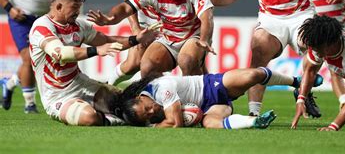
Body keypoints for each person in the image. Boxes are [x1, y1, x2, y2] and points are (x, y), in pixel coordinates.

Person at [28, 0, 157, 126]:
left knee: (127, 102)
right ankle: (117, 120)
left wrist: (136, 39)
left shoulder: (79, 25)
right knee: (89, 117)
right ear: (59, 7)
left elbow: (108, 40)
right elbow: (61, 53)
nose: (78, 11)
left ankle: (168, 115)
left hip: (81, 83)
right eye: (74, 7)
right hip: (57, 96)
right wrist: (96, 50)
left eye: (79, 7)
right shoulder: (42, 27)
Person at [88, 0, 215, 79]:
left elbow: (206, 17)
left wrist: (204, 39)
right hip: (167, 37)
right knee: (147, 67)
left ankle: (194, 101)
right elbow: (126, 8)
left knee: (187, 61)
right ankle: (163, 98)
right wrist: (110, 19)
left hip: (194, 36)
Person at [0, 0, 74, 113]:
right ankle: (29, 103)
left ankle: (9, 83)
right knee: (28, 58)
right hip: (21, 19)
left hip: (46, 20)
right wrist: (9, 8)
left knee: (42, 60)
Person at [115, 67, 323, 129]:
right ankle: (254, 122)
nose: (152, 112)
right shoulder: (151, 106)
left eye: (147, 108)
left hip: (210, 86)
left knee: (253, 76)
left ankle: (295, 81)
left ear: (141, 98)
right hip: (208, 108)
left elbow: (176, 122)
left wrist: (153, 127)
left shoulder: (161, 88)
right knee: (212, 122)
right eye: (148, 116)